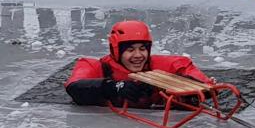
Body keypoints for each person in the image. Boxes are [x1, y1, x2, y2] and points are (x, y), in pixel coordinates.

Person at [65, 20, 212, 108]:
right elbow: (74, 87)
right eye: (130, 50)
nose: (138, 55)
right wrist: (114, 87)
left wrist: (188, 88)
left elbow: (204, 84)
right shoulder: (94, 66)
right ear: (116, 51)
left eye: (142, 49)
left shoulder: (167, 65)